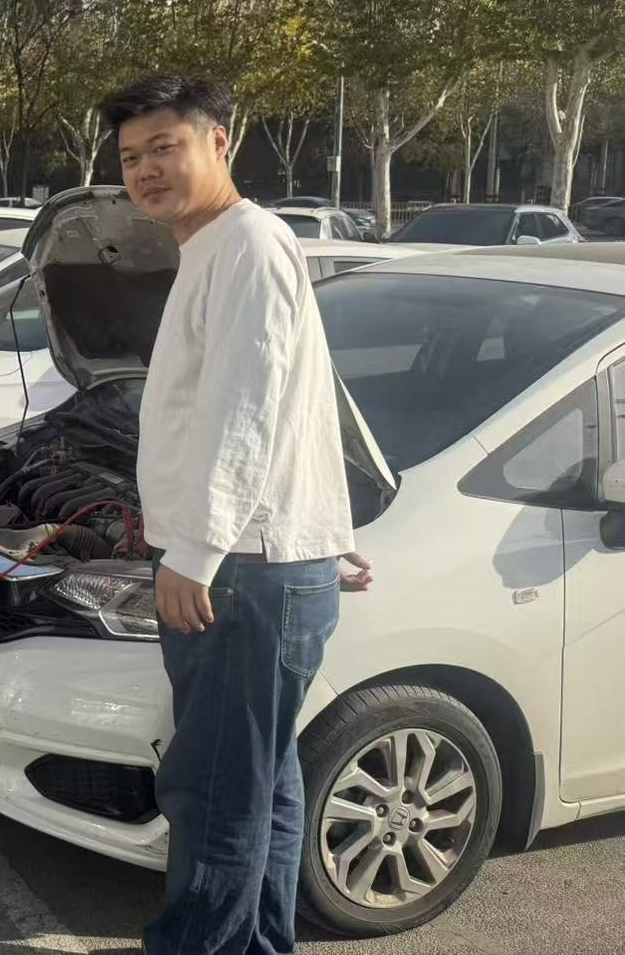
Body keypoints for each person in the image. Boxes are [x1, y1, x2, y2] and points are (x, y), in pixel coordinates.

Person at [98, 77, 374, 955]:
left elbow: (243, 409)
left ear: (220, 141)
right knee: (261, 786)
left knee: (215, 794)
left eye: (164, 147)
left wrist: (196, 549)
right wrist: (323, 533)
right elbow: (306, 406)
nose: (145, 170)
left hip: (240, 577)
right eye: (130, 157)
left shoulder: (246, 243)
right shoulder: (217, 246)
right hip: (265, 561)